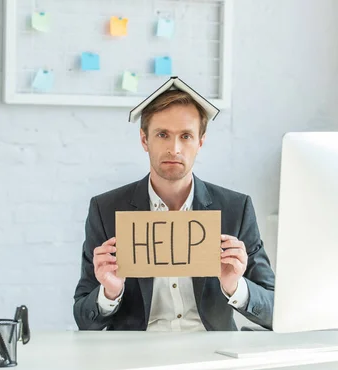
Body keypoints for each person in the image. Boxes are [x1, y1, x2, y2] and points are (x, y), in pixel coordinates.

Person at [73, 78, 275, 331]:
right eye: (162, 135)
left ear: (200, 142)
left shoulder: (235, 208)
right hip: (134, 353)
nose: (174, 148)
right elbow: (83, 319)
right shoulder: (106, 209)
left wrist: (235, 286)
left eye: (186, 136)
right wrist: (109, 292)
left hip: (211, 352)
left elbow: (274, 311)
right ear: (144, 140)